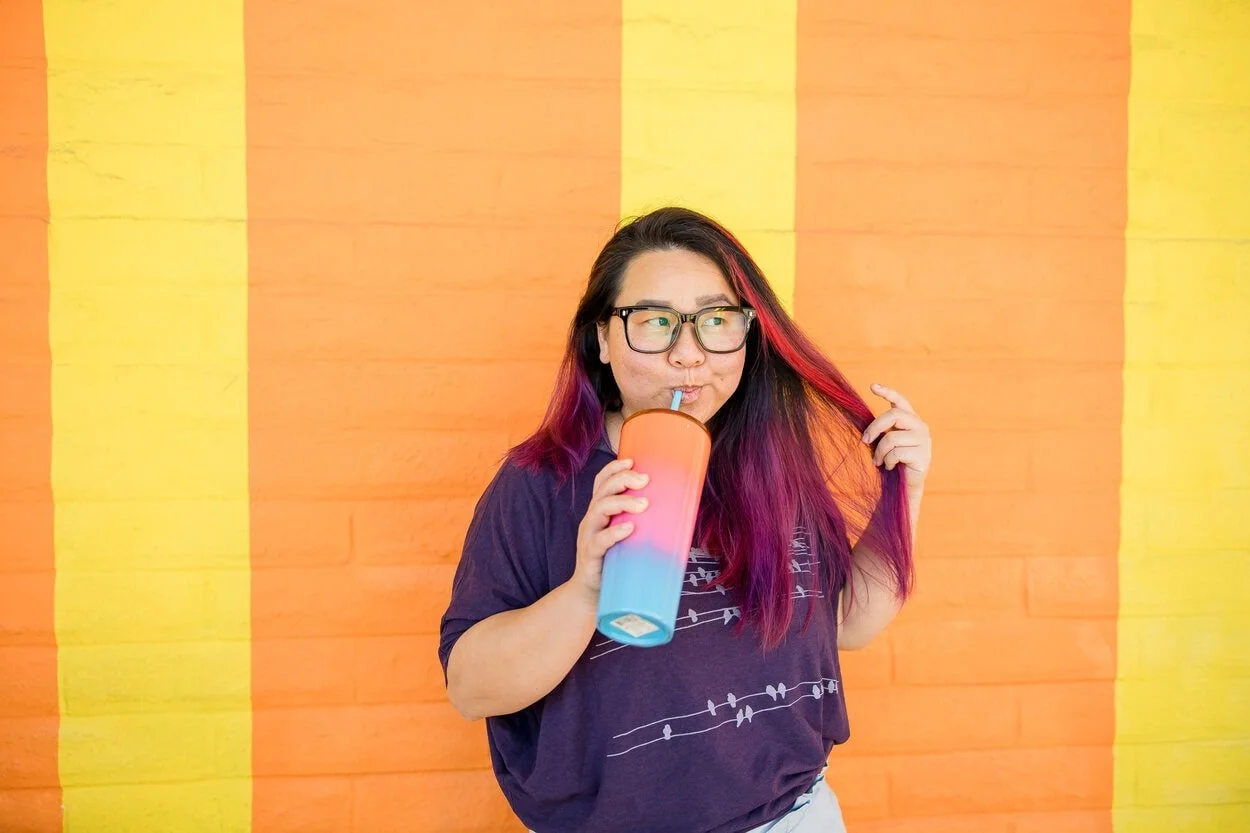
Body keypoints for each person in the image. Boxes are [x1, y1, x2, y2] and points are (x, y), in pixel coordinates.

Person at [438, 207, 932, 833]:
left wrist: (904, 493)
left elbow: (845, 626)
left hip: (792, 818)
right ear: (602, 338)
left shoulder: (775, 467)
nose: (689, 354)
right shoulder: (541, 483)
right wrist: (586, 589)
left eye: (716, 320)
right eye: (655, 322)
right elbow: (471, 688)